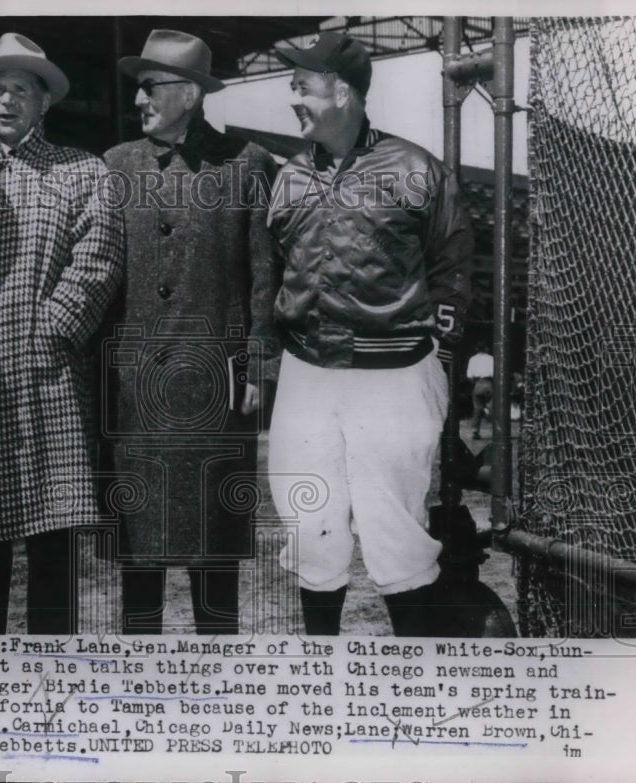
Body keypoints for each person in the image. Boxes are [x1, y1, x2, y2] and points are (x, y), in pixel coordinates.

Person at [266, 33, 473, 636]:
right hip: (307, 372)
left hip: (393, 375)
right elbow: (274, 269)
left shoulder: (415, 169)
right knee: (310, 527)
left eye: (302, 85)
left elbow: (453, 270)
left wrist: (435, 349)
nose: (292, 97)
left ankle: (412, 682)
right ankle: (321, 677)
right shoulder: (288, 176)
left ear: (343, 91)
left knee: (396, 531)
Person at [0, 34, 125, 635]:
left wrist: (51, 330)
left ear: (45, 103)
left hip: (46, 376)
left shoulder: (82, 171)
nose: (6, 102)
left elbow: (98, 260)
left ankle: (55, 673)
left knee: (54, 536)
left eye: (20, 90)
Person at [102, 30, 281, 635]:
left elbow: (264, 274)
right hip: (136, 390)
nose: (139, 103)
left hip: (215, 387)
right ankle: (139, 680)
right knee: (138, 551)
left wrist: (258, 366)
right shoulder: (116, 164)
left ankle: (217, 674)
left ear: (188, 93)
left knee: (214, 549)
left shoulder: (248, 164)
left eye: (150, 89)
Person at [466, 345, 494, 439]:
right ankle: (496, 430)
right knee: (493, 406)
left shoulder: (473, 359)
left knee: (477, 408)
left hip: (478, 384)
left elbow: (469, 375)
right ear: (487, 349)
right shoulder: (491, 358)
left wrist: (475, 383)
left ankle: (475, 431)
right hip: (490, 383)